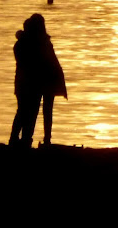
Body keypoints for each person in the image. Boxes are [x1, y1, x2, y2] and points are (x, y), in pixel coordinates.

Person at [26, 13, 67, 146]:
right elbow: (54, 62)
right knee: (45, 110)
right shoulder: (44, 41)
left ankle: (31, 137)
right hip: (47, 80)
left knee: (35, 109)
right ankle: (45, 138)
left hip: (41, 80)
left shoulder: (35, 41)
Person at [9, 18, 41, 147]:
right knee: (26, 112)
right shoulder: (28, 44)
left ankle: (23, 139)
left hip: (24, 83)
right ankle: (19, 139)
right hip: (28, 83)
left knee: (26, 112)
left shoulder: (22, 43)